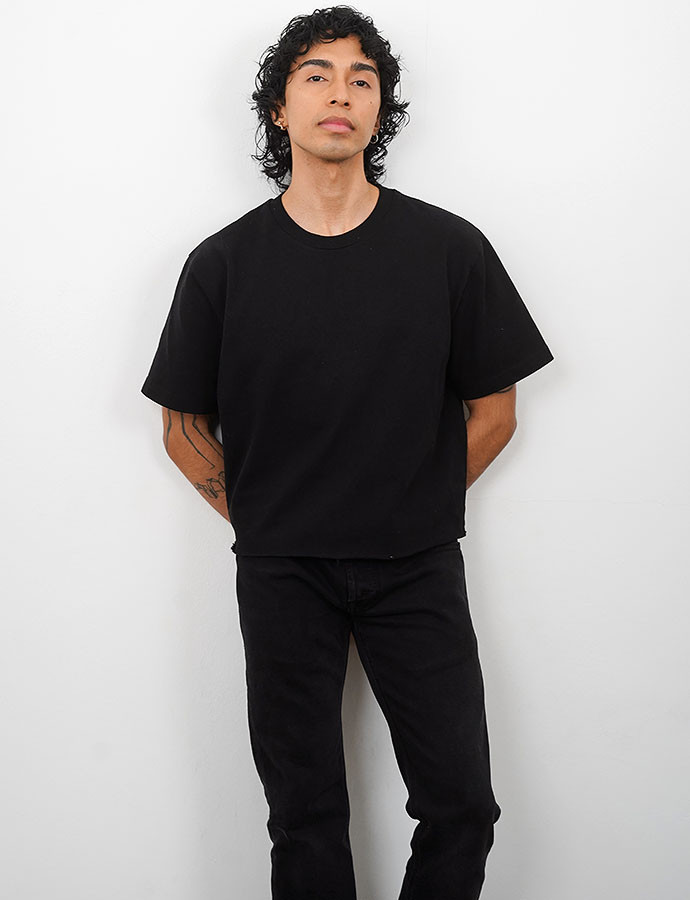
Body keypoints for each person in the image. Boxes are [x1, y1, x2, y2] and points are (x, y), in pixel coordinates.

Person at [141, 7, 555, 899]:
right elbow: (180, 427)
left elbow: (497, 410)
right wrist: (270, 518)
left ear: (380, 110)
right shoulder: (222, 264)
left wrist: (410, 500)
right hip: (282, 572)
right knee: (304, 817)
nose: (341, 93)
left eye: (362, 79)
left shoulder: (449, 249)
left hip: (417, 564)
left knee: (461, 806)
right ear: (280, 110)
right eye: (317, 76)